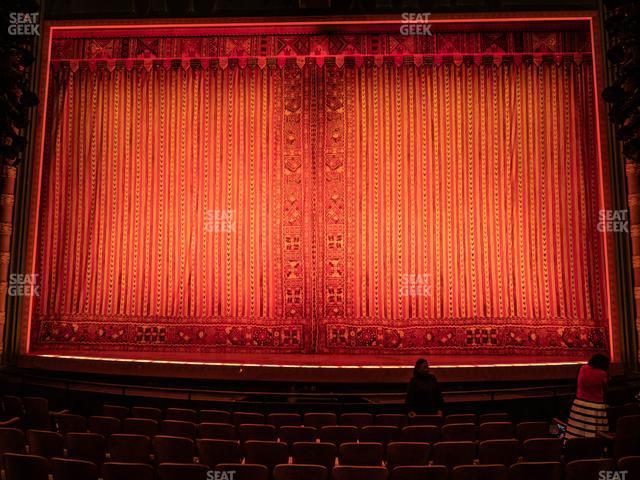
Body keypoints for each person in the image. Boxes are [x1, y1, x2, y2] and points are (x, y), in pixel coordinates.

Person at [565, 353, 610, 438]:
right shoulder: (602, 373)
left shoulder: (583, 368)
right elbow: (605, 389)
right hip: (595, 406)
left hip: (579, 404)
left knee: (576, 431)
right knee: (594, 432)